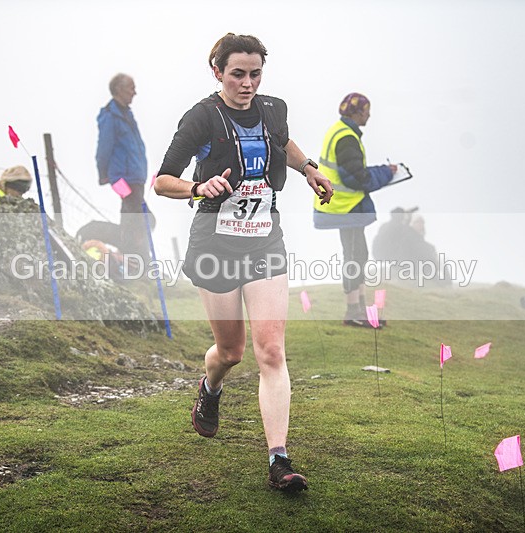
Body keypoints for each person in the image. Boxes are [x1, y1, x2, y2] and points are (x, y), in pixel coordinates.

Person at [153, 33, 333, 492]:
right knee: (230, 352)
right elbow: (162, 181)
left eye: (255, 73)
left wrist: (309, 168)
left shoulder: (274, 109)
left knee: (271, 350)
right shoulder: (201, 116)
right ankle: (209, 388)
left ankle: (279, 460)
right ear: (218, 72)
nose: (247, 83)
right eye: (238, 74)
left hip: (263, 240)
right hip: (215, 240)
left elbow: (284, 142)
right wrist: (197, 187)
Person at [313, 93, 396, 327]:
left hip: (345, 206)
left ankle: (359, 310)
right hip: (344, 207)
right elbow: (357, 178)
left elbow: (354, 170)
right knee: (353, 257)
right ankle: (353, 312)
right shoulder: (347, 137)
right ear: (357, 112)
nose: (369, 114)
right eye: (367, 110)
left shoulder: (341, 131)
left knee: (358, 255)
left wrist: (382, 171)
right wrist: (387, 174)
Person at [95, 73, 150, 265]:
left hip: (136, 176)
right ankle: (136, 261)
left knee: (132, 215)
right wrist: (104, 175)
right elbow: (104, 147)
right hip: (121, 178)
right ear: (119, 89)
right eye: (131, 88)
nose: (135, 92)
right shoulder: (110, 115)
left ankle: (135, 261)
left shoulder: (127, 113)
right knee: (140, 217)